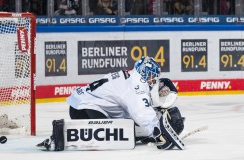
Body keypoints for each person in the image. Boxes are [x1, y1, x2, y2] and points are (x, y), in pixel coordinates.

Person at [50, 57, 185, 150]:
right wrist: (158, 133)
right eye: (152, 76)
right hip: (86, 109)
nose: (153, 80)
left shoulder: (131, 76)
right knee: (113, 135)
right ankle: (61, 135)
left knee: (126, 126)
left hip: (83, 105)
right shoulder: (136, 84)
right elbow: (142, 112)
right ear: (145, 73)